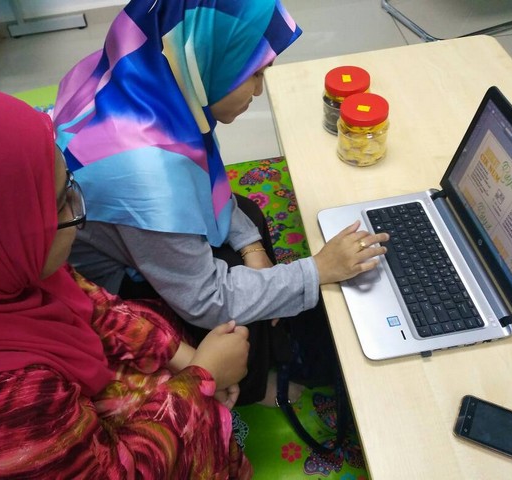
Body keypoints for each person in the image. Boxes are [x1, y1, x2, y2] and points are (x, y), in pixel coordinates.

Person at [54, 0, 389, 405]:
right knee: (233, 301)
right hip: (108, 289)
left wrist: (253, 247)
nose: (260, 90)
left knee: (246, 220)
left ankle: (272, 335)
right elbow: (208, 300)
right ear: (206, 58)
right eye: (255, 74)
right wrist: (317, 270)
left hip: (124, 231)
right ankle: (253, 387)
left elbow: (201, 178)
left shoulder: (151, 73)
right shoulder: (149, 174)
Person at [0, 83, 252, 479]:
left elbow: (92, 302)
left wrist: (182, 357)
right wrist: (202, 379)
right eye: (62, 201)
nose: (79, 214)